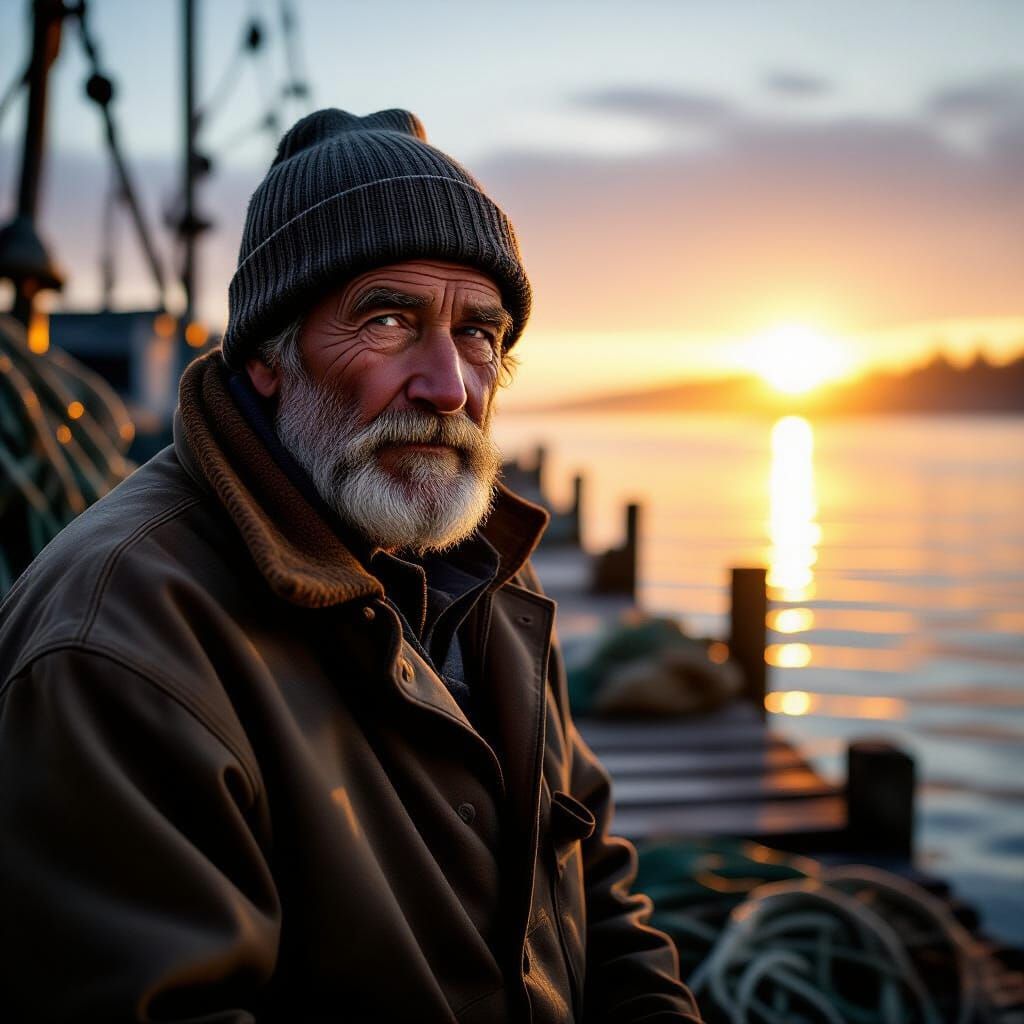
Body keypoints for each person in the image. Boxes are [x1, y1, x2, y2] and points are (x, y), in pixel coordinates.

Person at [0, 108, 701, 1023]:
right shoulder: (121, 641)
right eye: (388, 319)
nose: (449, 384)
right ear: (265, 356)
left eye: (480, 334)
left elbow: (593, 881)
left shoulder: (488, 574)